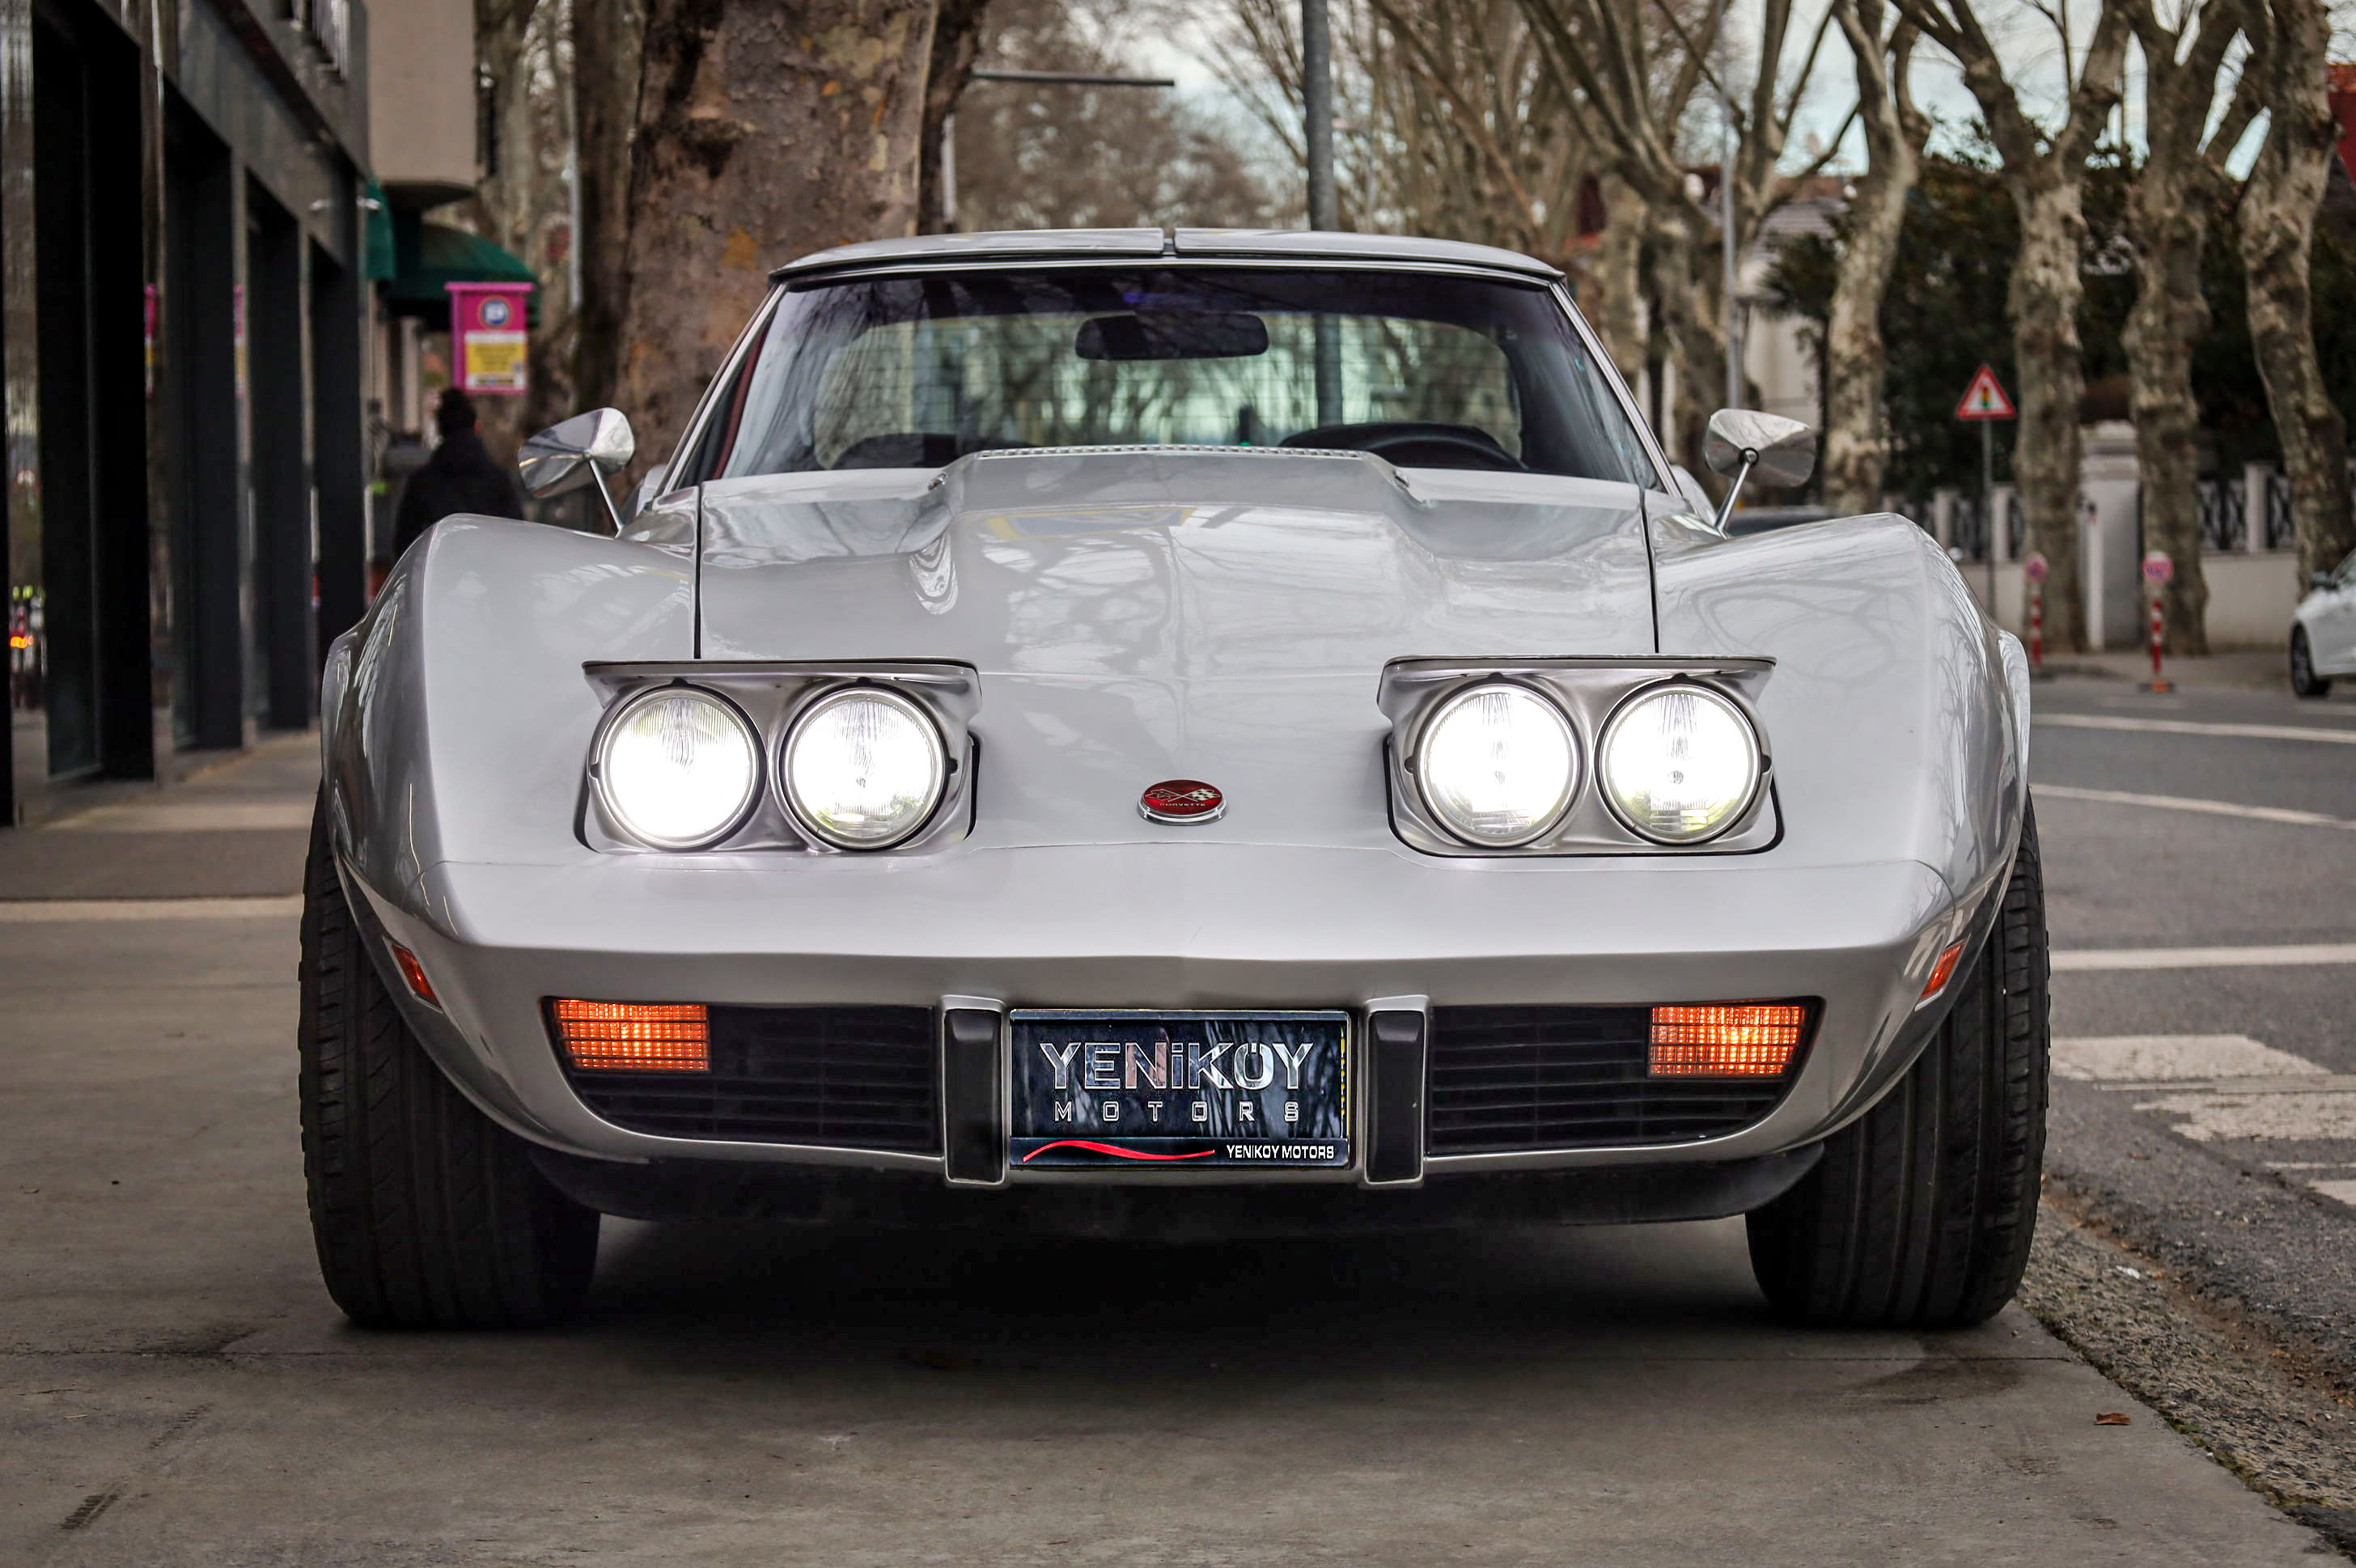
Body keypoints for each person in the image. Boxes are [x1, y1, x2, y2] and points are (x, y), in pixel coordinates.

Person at [392, 388, 531, 558]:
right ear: (476, 426)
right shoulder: (499, 481)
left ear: (440, 429)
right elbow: (518, 539)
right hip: (490, 570)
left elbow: (405, 548)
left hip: (440, 572)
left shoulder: (421, 483)